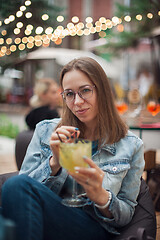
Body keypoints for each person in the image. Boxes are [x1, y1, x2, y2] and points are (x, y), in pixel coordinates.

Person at [1, 57, 145, 240]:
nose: (77, 102)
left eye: (85, 91)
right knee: (14, 186)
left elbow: (126, 216)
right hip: (48, 217)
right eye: (69, 94)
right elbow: (22, 192)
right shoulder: (46, 131)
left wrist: (101, 197)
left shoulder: (131, 145)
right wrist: (53, 163)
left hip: (91, 227)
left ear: (102, 91)